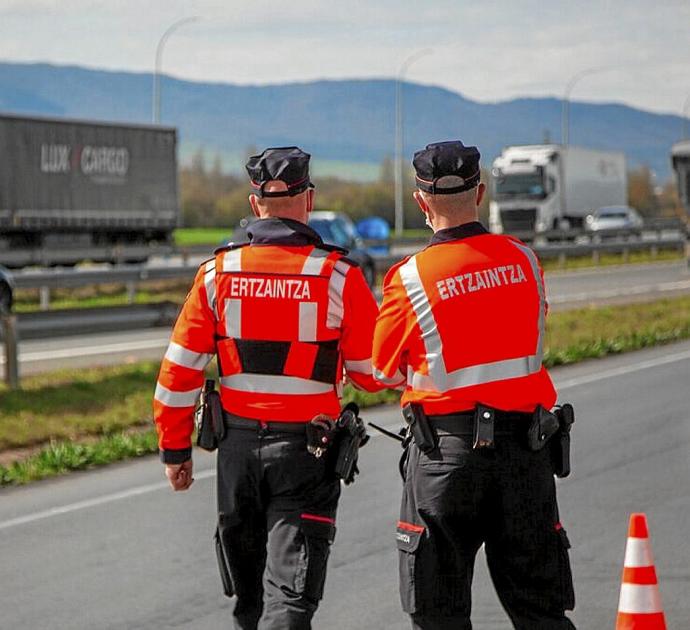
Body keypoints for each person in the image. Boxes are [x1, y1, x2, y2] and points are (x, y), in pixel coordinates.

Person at [153, 146, 382, 630]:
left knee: (249, 602)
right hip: (306, 454)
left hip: (236, 452)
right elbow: (368, 371)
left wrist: (176, 451)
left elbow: (178, 374)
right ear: (309, 200)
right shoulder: (338, 276)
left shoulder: (217, 274)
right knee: (291, 598)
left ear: (255, 203)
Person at [372, 141, 576, 629]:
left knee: (438, 614)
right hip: (525, 455)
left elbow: (382, 369)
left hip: (446, 457)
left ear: (421, 202)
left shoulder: (411, 278)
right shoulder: (524, 262)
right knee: (540, 610)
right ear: (480, 192)